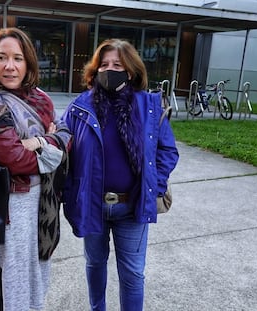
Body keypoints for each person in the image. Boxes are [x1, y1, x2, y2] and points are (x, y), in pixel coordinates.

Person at [61, 38, 179, 311]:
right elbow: (63, 144)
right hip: (93, 204)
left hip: (132, 206)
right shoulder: (81, 106)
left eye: (117, 64)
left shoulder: (148, 106)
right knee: (94, 263)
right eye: (103, 64)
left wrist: (154, 185)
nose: (109, 70)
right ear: (95, 69)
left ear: (131, 71)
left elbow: (167, 151)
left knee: (133, 274)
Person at [0, 27, 72, 311]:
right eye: (1, 58)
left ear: (28, 63)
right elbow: (13, 156)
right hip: (7, 208)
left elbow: (66, 137)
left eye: (17, 58)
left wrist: (40, 141)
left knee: (36, 280)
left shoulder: (40, 98)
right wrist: (52, 146)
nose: (9, 66)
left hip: (41, 208)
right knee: (7, 286)